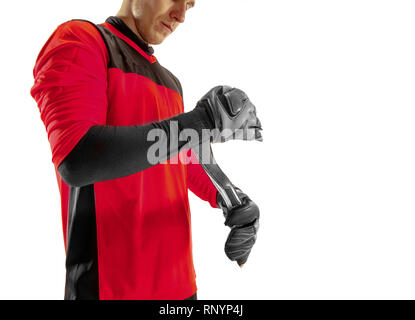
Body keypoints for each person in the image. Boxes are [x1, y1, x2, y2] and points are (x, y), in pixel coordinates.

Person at [30, 0, 262, 300]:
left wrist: (233, 199)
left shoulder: (171, 83)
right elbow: (78, 157)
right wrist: (200, 121)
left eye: (189, 6)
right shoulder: (80, 41)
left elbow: (184, 157)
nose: (180, 15)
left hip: (181, 288)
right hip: (111, 290)